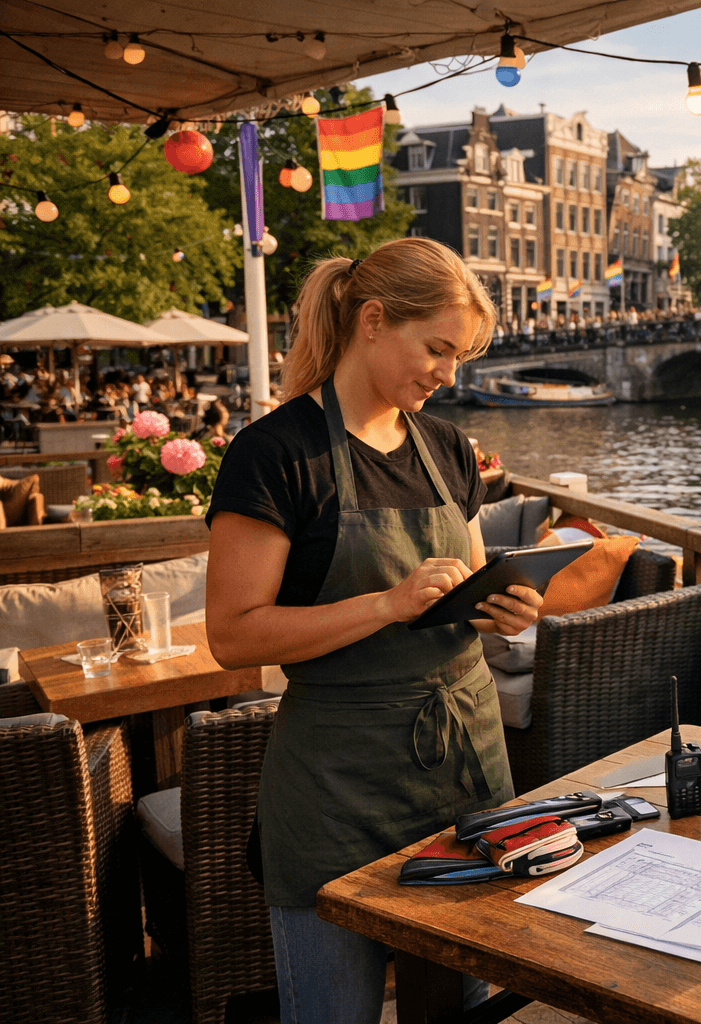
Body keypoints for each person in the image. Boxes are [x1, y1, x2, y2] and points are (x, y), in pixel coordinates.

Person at [204, 238, 538, 1022]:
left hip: (465, 771)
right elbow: (235, 636)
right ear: (374, 321)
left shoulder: (450, 450)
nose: (448, 374)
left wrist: (506, 610)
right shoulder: (275, 455)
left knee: (456, 1010)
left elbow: (468, 591)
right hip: (335, 793)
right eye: (438, 349)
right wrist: (386, 604)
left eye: (458, 356)